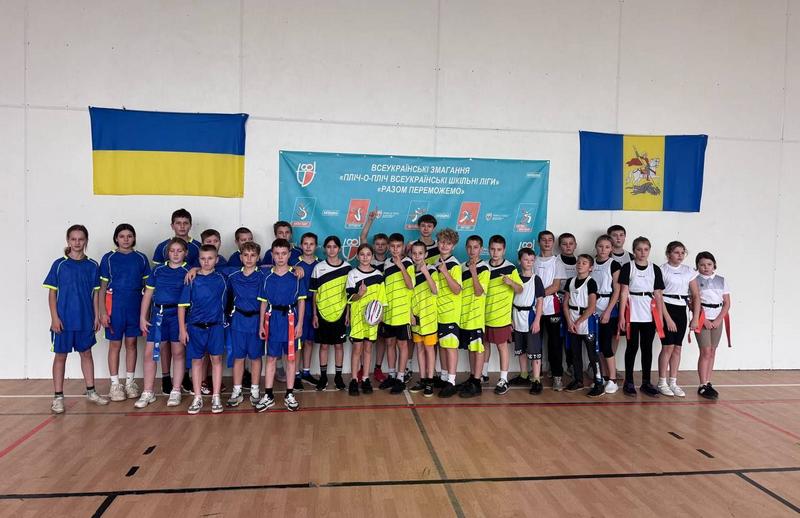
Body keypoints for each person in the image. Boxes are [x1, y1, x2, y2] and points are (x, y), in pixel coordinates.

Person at [44, 224, 108, 413]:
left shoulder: (92, 265)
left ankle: (91, 391)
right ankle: (58, 397)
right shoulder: (59, 265)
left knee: (86, 353)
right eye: (73, 239)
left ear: (86, 241)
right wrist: (54, 318)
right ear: (68, 241)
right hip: (63, 320)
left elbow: (95, 294)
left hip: (85, 319)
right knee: (60, 356)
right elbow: (52, 294)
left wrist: (96, 316)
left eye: (81, 239)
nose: (77, 242)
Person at [135, 238, 190, 409]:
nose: (175, 254)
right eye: (172, 250)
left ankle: (176, 390)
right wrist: (143, 317)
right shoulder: (158, 270)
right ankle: (148, 391)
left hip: (178, 316)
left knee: (178, 352)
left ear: (185, 253)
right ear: (167, 253)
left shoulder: (188, 271)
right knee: (150, 353)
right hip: (158, 315)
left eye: (179, 251)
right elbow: (148, 294)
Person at [98, 224, 150, 402]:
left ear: (134, 238)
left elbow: (148, 288)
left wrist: (145, 313)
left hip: (134, 305)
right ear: (116, 238)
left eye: (129, 236)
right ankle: (114, 384)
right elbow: (102, 288)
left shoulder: (141, 258)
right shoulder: (108, 258)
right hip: (114, 306)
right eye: (122, 236)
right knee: (115, 344)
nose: (126, 239)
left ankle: (130, 382)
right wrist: (102, 311)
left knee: (131, 343)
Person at [152, 208, 201, 394]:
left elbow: (205, 266)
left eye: (185, 223)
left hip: (188, 304)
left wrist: (195, 269)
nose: (182, 226)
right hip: (164, 306)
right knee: (165, 343)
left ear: (190, 225)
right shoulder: (162, 247)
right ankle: (166, 377)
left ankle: (185, 376)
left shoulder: (197, 246)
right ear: (172, 225)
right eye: (178, 223)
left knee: (183, 341)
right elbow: (158, 277)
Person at [255, 239, 306, 412]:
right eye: (277, 254)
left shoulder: (296, 276)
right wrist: (261, 325)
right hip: (273, 320)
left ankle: (289, 394)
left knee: (290, 358)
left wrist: (300, 324)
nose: (280, 257)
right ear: (272, 254)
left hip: (291, 320)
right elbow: (263, 302)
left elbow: (301, 302)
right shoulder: (266, 276)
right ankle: (268, 395)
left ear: (289, 255)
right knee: (271, 358)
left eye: (284, 253)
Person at [178, 245, 227, 414]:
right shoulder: (191, 279)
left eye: (210, 258)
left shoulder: (223, 278)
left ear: (217, 260)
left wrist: (295, 268)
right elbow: (181, 306)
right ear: (198, 259)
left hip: (216, 326)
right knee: (196, 361)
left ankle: (216, 396)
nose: (206, 262)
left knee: (216, 360)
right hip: (195, 327)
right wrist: (182, 330)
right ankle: (197, 397)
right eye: (203, 259)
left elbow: (253, 268)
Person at [618, 236, 666, 397]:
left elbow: (658, 294)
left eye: (645, 249)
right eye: (639, 249)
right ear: (634, 251)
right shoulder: (628, 267)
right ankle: (629, 381)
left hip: (649, 312)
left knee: (647, 348)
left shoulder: (655, 269)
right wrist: (621, 316)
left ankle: (646, 382)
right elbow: (623, 292)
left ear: (649, 250)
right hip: (632, 311)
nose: (642, 252)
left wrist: (660, 317)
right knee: (632, 347)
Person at [224, 241, 267, 407]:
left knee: (255, 357)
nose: (249, 259)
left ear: (258, 257)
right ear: (240, 257)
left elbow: (282, 269)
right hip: (238, 321)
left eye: (253, 255)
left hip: (256, 321)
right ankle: (237, 390)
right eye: (246, 255)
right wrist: (194, 269)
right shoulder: (233, 276)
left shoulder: (263, 276)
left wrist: (296, 269)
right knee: (238, 356)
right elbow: (210, 268)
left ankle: (255, 390)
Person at [658, 241, 701, 397]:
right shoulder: (662, 270)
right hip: (666, 307)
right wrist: (667, 318)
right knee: (667, 346)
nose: (680, 255)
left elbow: (696, 295)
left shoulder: (688, 271)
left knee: (677, 347)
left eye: (682, 253)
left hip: (681, 309)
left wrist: (695, 318)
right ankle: (662, 382)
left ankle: (673, 382)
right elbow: (658, 296)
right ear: (668, 254)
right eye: (676, 252)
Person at [310, 236, 351, 391]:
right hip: (322, 313)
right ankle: (323, 377)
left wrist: (347, 314)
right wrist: (315, 314)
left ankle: (338, 377)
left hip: (340, 313)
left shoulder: (347, 268)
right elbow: (314, 294)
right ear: (324, 249)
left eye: (334, 246)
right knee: (324, 346)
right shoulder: (318, 268)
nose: (332, 249)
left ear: (339, 249)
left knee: (339, 346)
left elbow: (349, 294)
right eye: (328, 246)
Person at [485, 235, 523, 395]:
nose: (495, 252)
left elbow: (520, 289)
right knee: (484, 345)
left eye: (499, 249)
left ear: (504, 250)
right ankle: (483, 374)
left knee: (502, 347)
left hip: (501, 317)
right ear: (488, 249)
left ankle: (503, 379)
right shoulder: (484, 267)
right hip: (483, 315)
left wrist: (511, 283)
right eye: (493, 249)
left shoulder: (510, 268)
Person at [346, 244, 386, 396]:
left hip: (372, 319)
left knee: (368, 348)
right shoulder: (352, 274)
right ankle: (354, 380)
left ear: (372, 256)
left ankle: (365, 378)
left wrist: (380, 315)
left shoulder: (378, 275)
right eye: (362, 254)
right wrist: (360, 294)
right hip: (358, 317)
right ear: (357, 256)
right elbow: (350, 298)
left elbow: (382, 299)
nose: (365, 257)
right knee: (357, 349)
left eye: (368, 254)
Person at [562, 254, 605, 397]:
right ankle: (578, 380)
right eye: (579, 262)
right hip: (572, 319)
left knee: (593, 354)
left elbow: (591, 307)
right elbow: (565, 303)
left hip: (586, 320)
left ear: (590, 268)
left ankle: (599, 383)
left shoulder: (591, 282)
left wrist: (578, 322)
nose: (580, 265)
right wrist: (569, 322)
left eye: (584, 263)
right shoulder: (570, 281)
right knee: (575, 353)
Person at [379, 233, 414, 395]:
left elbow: (410, 285)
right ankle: (392, 375)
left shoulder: (408, 263)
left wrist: (401, 267)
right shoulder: (386, 263)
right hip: (389, 313)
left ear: (403, 247)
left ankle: (400, 377)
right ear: (388, 247)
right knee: (389, 344)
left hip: (402, 313)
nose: (395, 249)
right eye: (392, 246)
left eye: (398, 246)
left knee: (402, 345)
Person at [694, 251, 731, 400]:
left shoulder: (721, 280)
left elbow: (727, 303)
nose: (706, 267)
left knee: (712, 351)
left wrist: (718, 320)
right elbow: (692, 302)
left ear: (714, 265)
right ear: (697, 266)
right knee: (705, 351)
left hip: (717, 318)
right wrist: (703, 320)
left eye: (709, 264)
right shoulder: (694, 280)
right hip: (702, 318)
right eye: (702, 265)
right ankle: (702, 384)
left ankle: (708, 381)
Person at [359, 209, 389, 383]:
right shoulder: (368, 259)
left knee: (382, 339)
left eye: (383, 244)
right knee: (364, 339)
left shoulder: (391, 261)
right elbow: (363, 237)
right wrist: (370, 220)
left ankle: (377, 368)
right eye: (377, 244)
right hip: (366, 304)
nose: (380, 246)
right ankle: (362, 368)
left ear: (387, 246)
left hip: (383, 304)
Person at [534, 230, 567, 390]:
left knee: (555, 344)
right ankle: (536, 374)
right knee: (535, 342)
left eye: (549, 240)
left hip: (552, 308)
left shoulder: (557, 262)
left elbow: (555, 286)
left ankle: (557, 376)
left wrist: (538, 295)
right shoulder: (533, 260)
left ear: (553, 243)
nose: (547, 242)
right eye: (543, 239)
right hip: (535, 308)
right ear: (538, 242)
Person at [458, 235, 490, 398]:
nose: (472, 250)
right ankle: (472, 378)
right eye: (469, 247)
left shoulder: (484, 268)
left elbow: (478, 292)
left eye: (475, 247)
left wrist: (473, 272)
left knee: (478, 348)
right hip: (464, 316)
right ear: (466, 248)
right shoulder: (461, 266)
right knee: (471, 349)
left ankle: (477, 383)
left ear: (481, 249)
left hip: (476, 316)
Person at [433, 228, 463, 398]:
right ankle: (444, 377)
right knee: (443, 346)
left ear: (453, 246)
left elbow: (457, 289)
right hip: (438, 311)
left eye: (448, 243)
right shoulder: (436, 261)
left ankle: (451, 381)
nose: (444, 245)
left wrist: (445, 273)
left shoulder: (454, 265)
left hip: (450, 312)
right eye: (442, 242)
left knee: (450, 347)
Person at [407, 242, 439, 397]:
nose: (417, 256)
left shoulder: (432, 270)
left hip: (429, 318)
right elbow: (408, 295)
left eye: (420, 253)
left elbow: (435, 290)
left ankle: (430, 381)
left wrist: (426, 272)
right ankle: (422, 379)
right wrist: (410, 314)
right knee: (419, 348)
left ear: (426, 255)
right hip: (416, 318)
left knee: (429, 349)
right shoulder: (410, 271)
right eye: (414, 253)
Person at [512, 247, 544, 395]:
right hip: (516, 315)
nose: (529, 262)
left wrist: (537, 321)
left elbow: (540, 301)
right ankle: (524, 374)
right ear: (520, 261)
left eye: (532, 260)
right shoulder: (515, 278)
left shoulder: (536, 279)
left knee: (534, 350)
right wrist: (510, 319)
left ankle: (536, 380)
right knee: (521, 349)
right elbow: (510, 299)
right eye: (526, 259)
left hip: (530, 316)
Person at [591, 235, 621, 394]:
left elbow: (617, 290)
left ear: (611, 249)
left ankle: (613, 379)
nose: (603, 250)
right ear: (596, 246)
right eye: (601, 246)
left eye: (607, 247)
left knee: (606, 345)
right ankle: (602, 376)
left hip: (607, 307)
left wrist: (608, 311)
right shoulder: (591, 263)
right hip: (592, 307)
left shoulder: (613, 264)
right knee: (597, 346)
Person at [296, 233, 321, 388]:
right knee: (298, 342)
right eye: (305, 243)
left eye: (311, 244)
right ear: (301, 245)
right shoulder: (294, 263)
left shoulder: (321, 264)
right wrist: (294, 268)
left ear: (316, 246)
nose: (308, 247)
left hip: (314, 306)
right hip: (298, 306)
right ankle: (295, 374)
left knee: (310, 341)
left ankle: (306, 372)